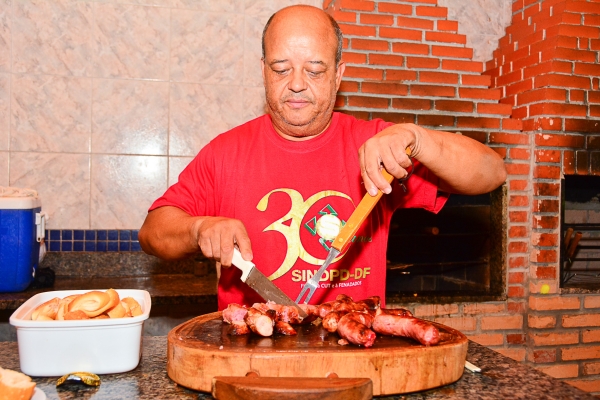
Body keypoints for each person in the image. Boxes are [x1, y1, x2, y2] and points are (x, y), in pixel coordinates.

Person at [139, 5, 506, 310]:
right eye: (281, 69)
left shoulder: (377, 145)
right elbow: (153, 233)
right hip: (249, 363)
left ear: (338, 75)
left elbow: (493, 172)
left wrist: (418, 138)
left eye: (315, 70)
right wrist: (198, 228)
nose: (297, 83)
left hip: (355, 359)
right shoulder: (226, 152)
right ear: (263, 70)